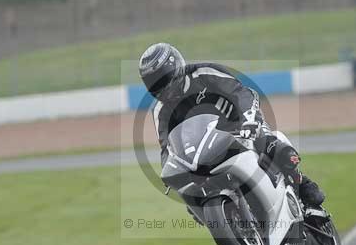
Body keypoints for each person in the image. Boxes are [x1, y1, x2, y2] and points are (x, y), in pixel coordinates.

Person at [138, 42, 325, 207]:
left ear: (176, 68)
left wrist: (249, 120)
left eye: (163, 81)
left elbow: (240, 93)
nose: (161, 89)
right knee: (189, 194)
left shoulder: (204, 73)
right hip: (204, 148)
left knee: (267, 142)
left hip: (240, 124)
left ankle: (301, 183)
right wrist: (170, 173)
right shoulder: (160, 111)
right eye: (154, 85)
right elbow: (167, 148)